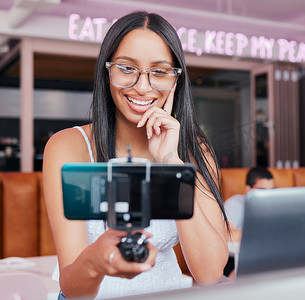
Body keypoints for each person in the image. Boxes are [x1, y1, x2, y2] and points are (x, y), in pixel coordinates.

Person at [43, 11, 229, 299]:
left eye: (159, 71)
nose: (142, 87)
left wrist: (170, 161)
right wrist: (97, 260)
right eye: (127, 68)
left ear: (176, 79)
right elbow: (72, 289)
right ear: (108, 71)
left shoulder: (195, 152)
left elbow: (210, 274)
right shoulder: (68, 146)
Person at [224, 167, 275, 241]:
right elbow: (226, 234)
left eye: (272, 190)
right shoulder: (234, 204)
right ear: (248, 189)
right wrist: (262, 235)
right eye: (262, 190)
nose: (267, 195)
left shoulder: (274, 204)